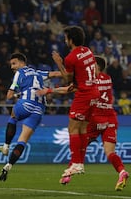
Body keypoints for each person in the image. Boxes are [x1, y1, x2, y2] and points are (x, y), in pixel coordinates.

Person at [38, 56, 129, 190]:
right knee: (110, 152)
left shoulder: (89, 81)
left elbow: (68, 88)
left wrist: (50, 90)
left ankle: (69, 172)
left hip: (95, 118)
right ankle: (122, 172)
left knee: (79, 144)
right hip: (110, 118)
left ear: (96, 67)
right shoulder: (107, 79)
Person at [0, 52, 60, 181]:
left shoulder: (19, 73)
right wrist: (68, 73)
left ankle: (6, 146)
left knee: (13, 117)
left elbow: (9, 95)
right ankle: (8, 165)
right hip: (39, 109)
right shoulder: (38, 72)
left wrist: (16, 94)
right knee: (23, 140)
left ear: (21, 63)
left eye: (14, 64)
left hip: (26, 103)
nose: (12, 67)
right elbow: (55, 74)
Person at [51, 26, 99, 177]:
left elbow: (67, 79)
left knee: (72, 128)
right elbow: (84, 72)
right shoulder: (88, 51)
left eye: (66, 38)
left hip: (83, 95)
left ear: (71, 39)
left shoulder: (70, 58)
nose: (65, 40)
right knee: (83, 129)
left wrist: (59, 62)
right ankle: (80, 163)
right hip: (94, 92)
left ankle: (76, 163)